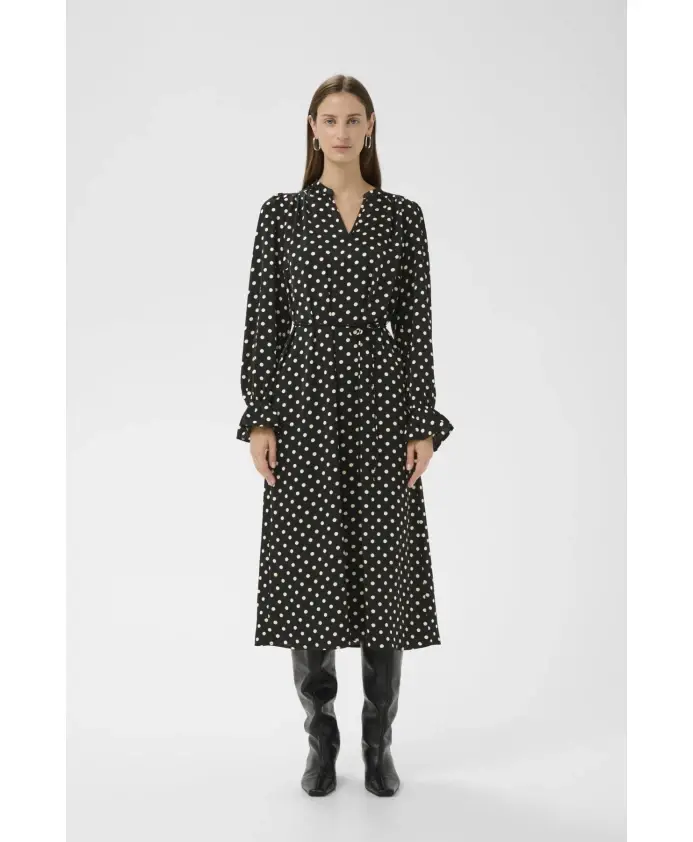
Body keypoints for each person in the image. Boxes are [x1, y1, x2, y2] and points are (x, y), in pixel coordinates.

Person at [237, 75, 454, 797]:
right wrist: (260, 417)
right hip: (301, 406)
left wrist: (422, 424)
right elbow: (263, 322)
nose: (340, 131)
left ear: (370, 127)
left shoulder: (401, 217)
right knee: (310, 570)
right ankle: (321, 740)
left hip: (382, 406)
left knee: (384, 573)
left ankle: (377, 741)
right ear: (311, 127)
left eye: (352, 119)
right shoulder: (282, 215)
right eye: (328, 119)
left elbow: (417, 328)